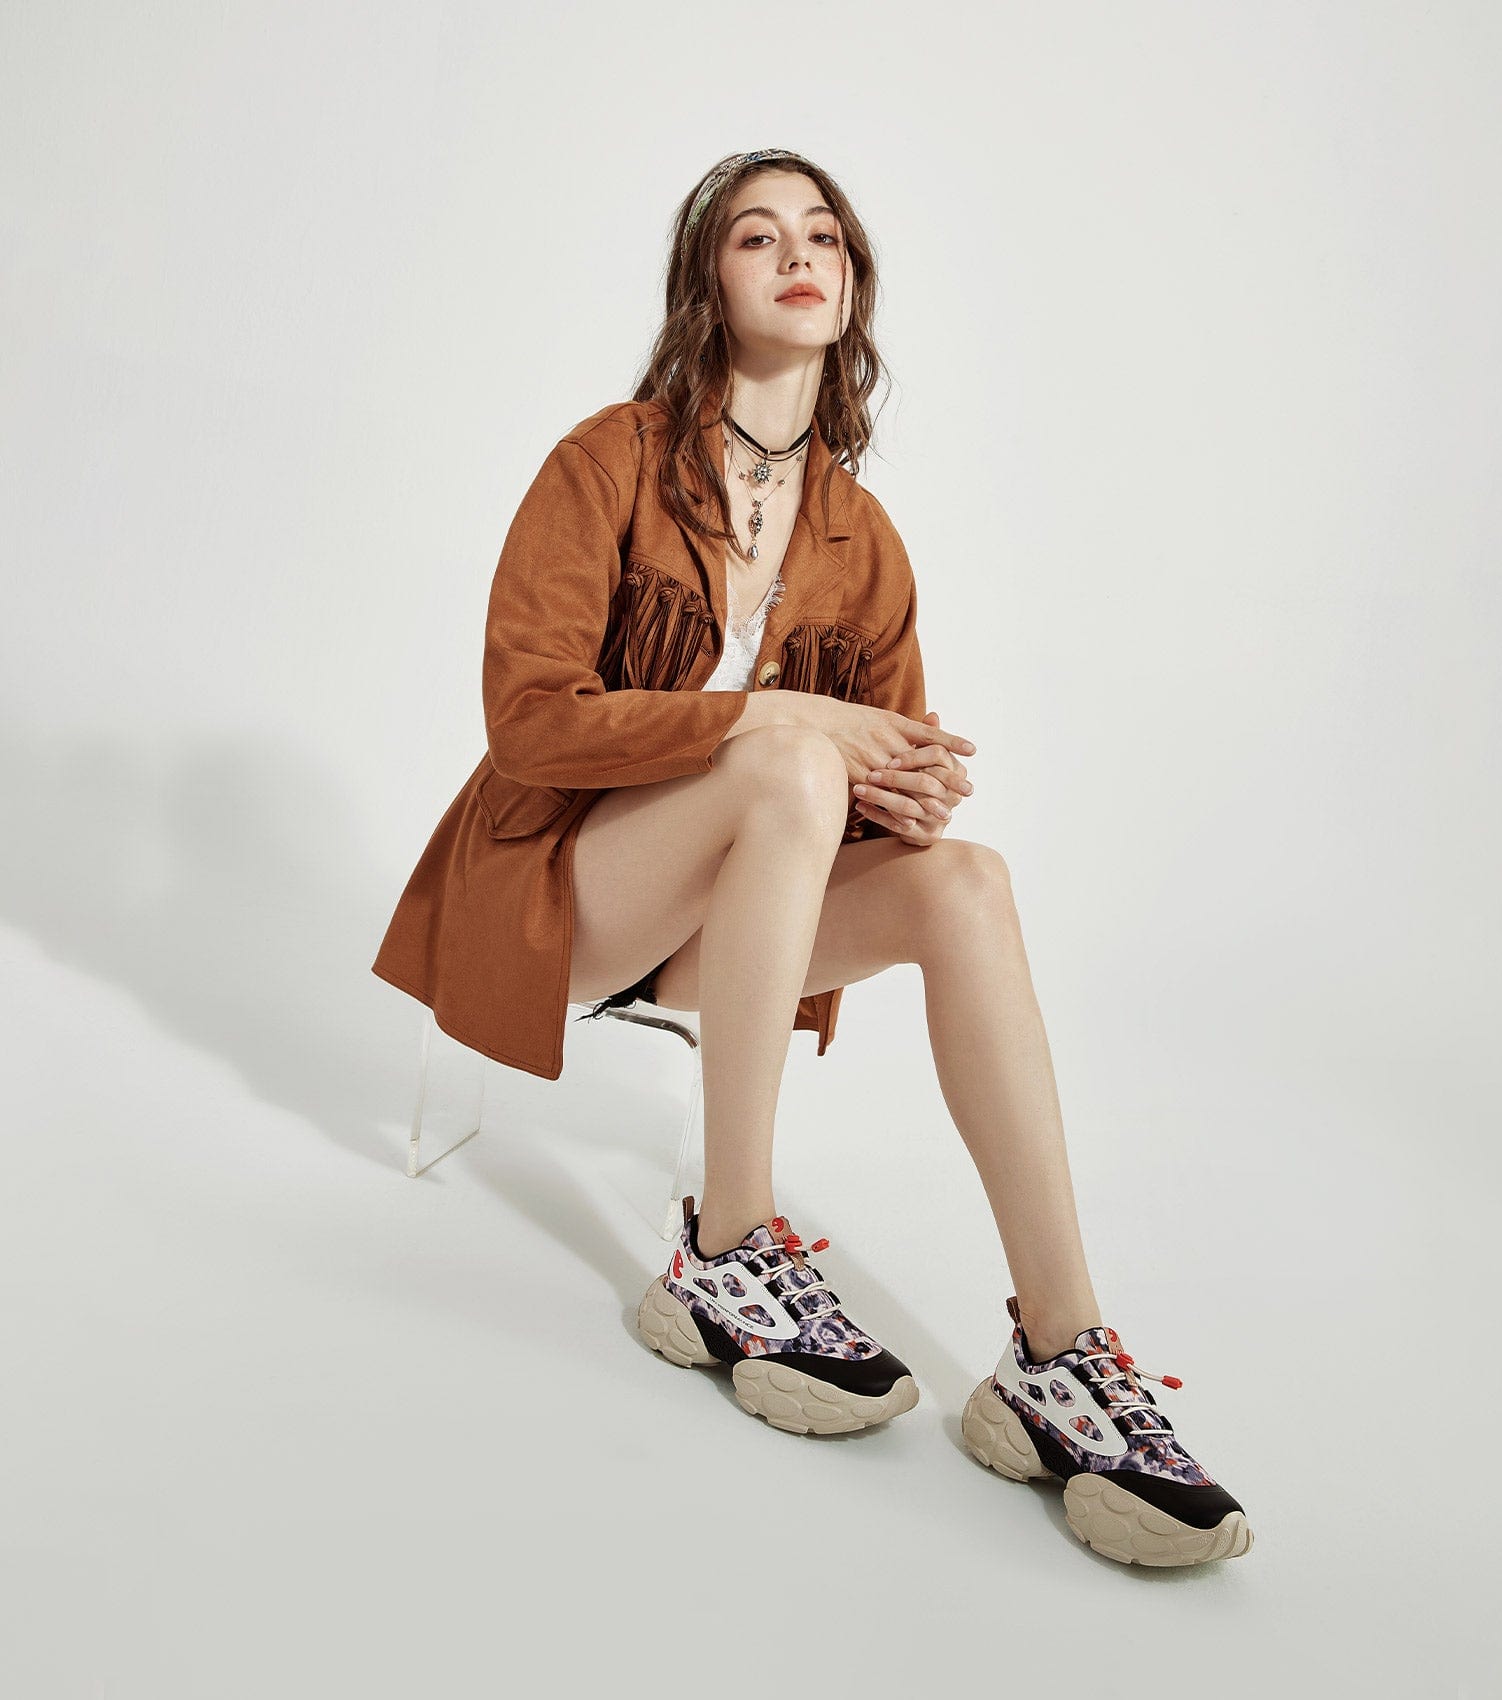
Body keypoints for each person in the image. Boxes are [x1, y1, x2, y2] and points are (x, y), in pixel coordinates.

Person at [372, 149, 1252, 1568]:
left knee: (969, 883)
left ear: (853, 283)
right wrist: (786, 722)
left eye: (825, 236)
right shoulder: (609, 460)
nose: (799, 255)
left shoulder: (863, 539)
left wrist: (908, 785)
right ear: (706, 285)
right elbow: (528, 723)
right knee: (786, 758)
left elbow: (871, 791)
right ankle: (725, 1250)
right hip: (566, 891)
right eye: (758, 236)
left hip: (735, 919)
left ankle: (1060, 1354)